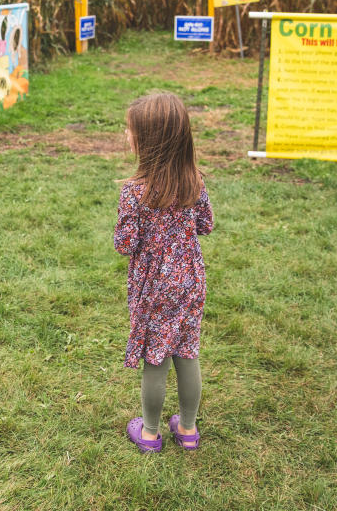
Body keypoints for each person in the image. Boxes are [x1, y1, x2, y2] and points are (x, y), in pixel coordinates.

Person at [114, 92, 214, 453]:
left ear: (149, 140)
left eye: (130, 131)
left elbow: (125, 243)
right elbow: (206, 224)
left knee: (155, 359)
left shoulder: (134, 192)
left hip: (153, 286)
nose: (127, 136)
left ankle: (151, 433)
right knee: (187, 353)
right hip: (189, 280)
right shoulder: (195, 181)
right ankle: (188, 430)